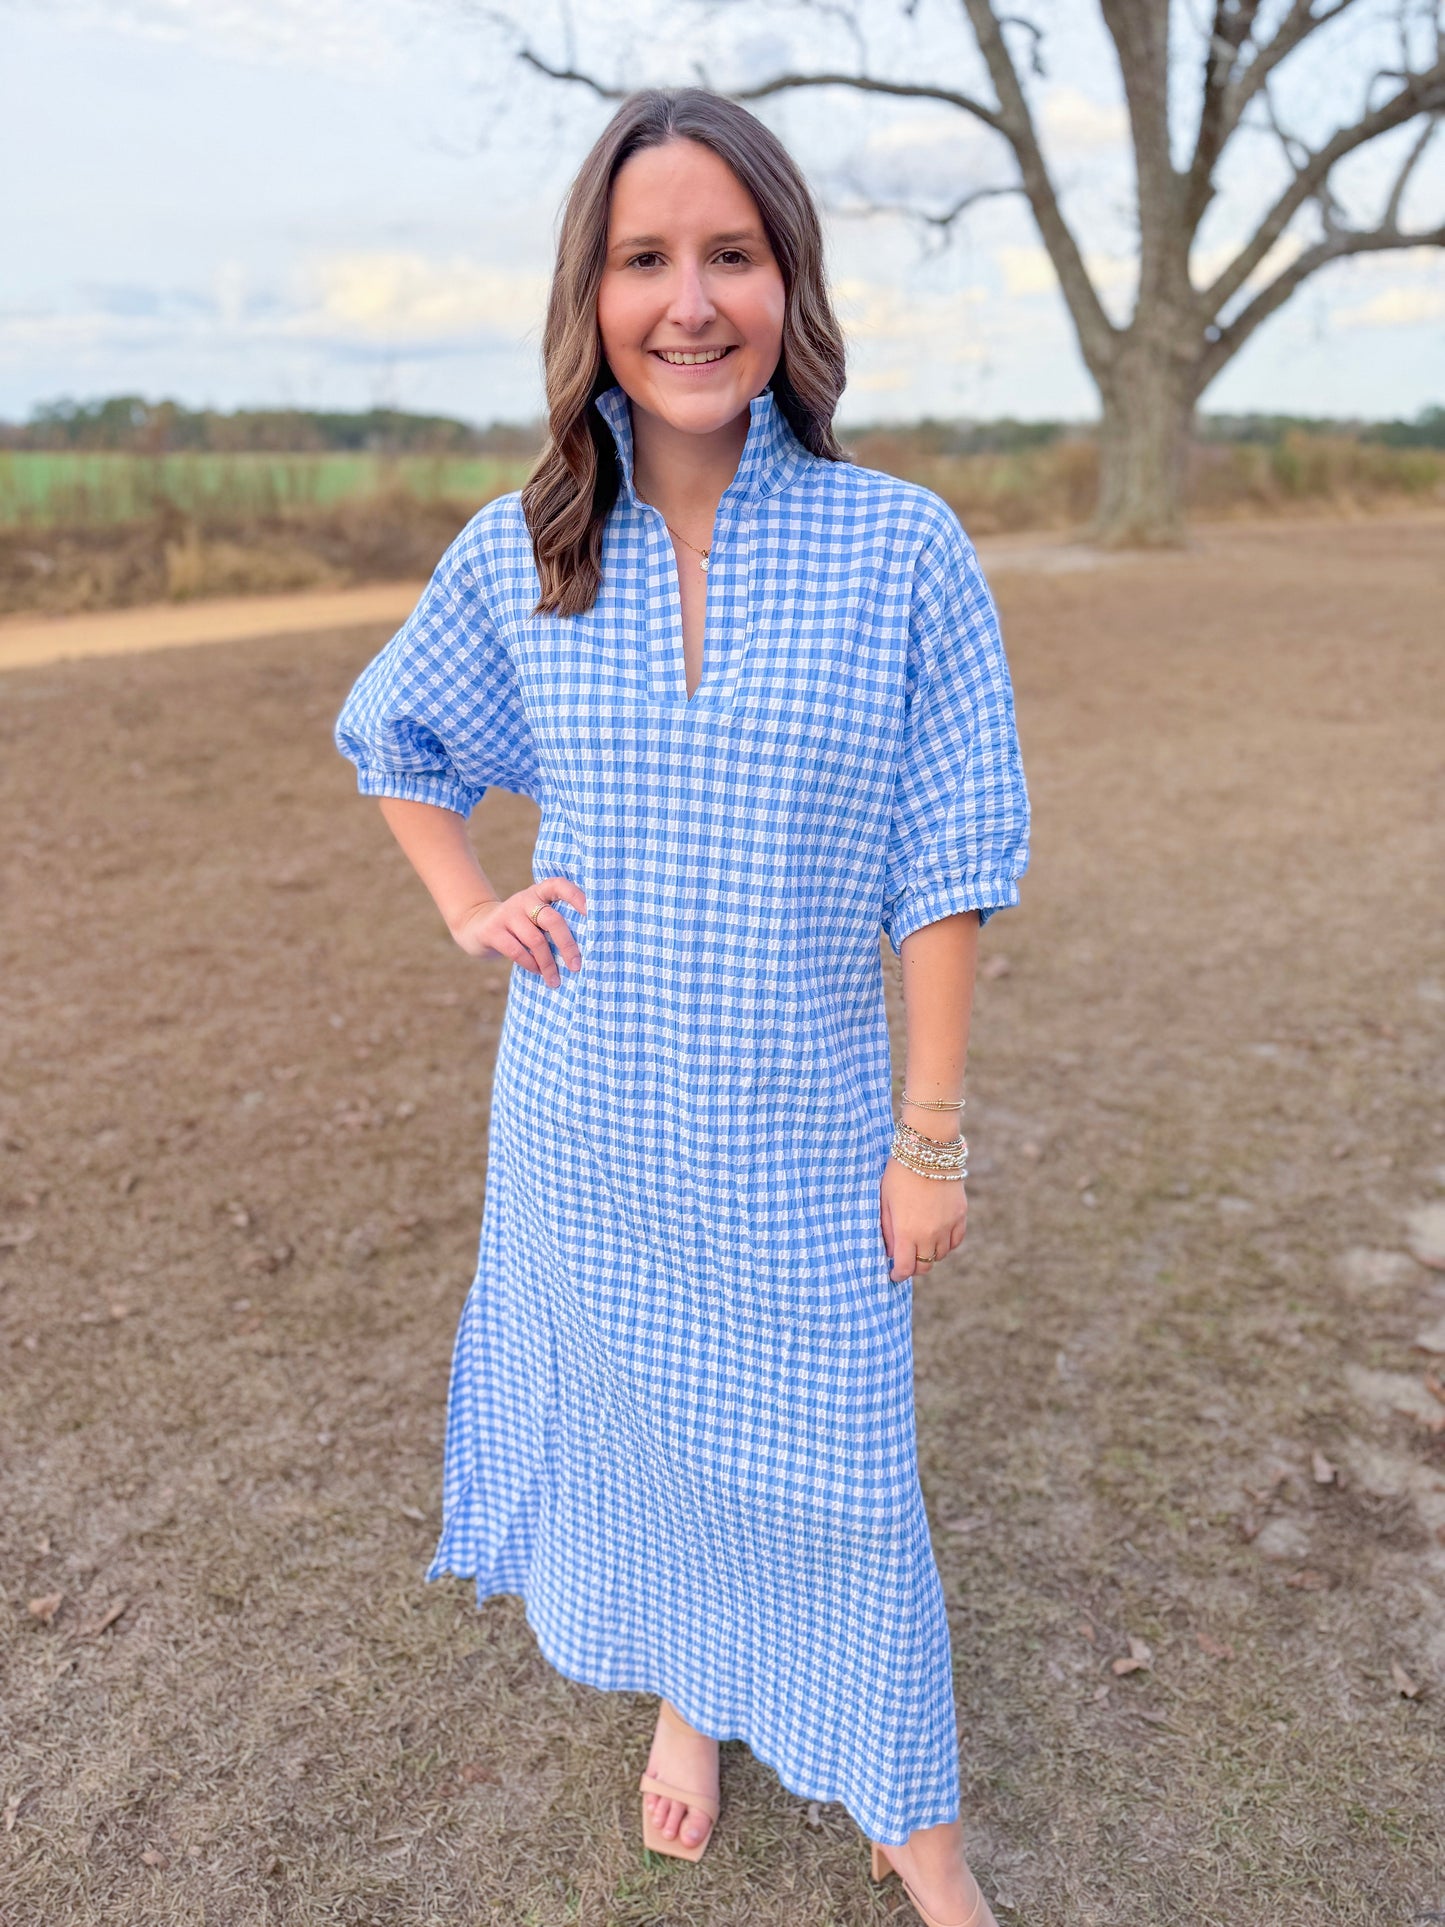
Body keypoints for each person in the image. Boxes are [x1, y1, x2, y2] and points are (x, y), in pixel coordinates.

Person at [333, 86, 1029, 1927]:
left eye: (732, 252)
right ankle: (689, 1693)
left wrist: (931, 1138)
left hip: (806, 1140)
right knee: (647, 1436)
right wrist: (471, 900)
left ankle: (921, 1839)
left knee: (848, 1485)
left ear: (790, 286)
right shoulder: (526, 548)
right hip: (590, 1125)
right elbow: (392, 736)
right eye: (646, 259)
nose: (691, 299)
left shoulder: (902, 552)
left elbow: (946, 863)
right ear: (594, 298)